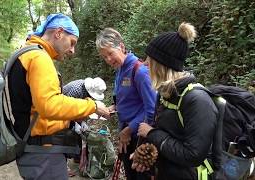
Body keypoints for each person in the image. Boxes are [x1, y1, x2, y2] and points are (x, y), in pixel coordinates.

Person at [7, 13, 110, 180]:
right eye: (72, 43)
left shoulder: (24, 52)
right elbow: (49, 104)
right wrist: (94, 106)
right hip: (42, 152)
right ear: (59, 33)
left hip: (31, 147)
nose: (72, 50)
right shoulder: (39, 58)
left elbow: (37, 104)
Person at [132, 22, 218, 180]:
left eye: (149, 60)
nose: (144, 64)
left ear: (161, 65)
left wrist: (151, 132)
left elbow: (193, 155)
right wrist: (148, 157)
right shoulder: (165, 93)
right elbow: (168, 136)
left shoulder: (198, 101)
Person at [96, 28, 157, 179]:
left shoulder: (140, 71)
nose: (109, 60)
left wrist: (129, 129)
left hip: (140, 138)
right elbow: (126, 100)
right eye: (105, 57)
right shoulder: (120, 70)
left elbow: (152, 109)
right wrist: (112, 108)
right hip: (125, 136)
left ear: (121, 47)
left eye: (110, 53)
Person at [62, 77, 107, 177]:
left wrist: (82, 122)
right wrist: (75, 124)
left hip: (71, 113)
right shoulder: (76, 91)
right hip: (61, 114)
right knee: (66, 136)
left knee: (82, 132)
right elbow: (67, 110)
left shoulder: (87, 92)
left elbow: (83, 110)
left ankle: (77, 157)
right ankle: (63, 166)